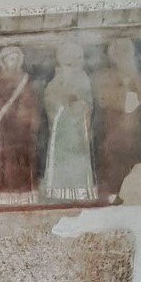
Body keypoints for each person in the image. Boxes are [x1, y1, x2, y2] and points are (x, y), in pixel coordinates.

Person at [94, 37, 141, 201]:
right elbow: (102, 99)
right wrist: (122, 96)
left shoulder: (138, 77)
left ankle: (132, 193)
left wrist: (134, 92)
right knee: (112, 157)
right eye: (118, 53)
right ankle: (112, 193)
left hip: (133, 126)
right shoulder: (107, 76)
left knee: (132, 156)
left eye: (125, 52)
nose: (122, 56)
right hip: (113, 124)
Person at [0, 45, 41, 205]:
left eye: (16, 59)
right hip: (5, 127)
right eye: (11, 59)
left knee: (22, 160)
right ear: (3, 61)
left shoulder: (25, 80)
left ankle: (23, 193)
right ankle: (4, 193)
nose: (14, 62)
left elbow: (31, 102)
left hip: (22, 129)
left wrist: (30, 117)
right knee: (6, 161)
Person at [43, 41, 98, 201]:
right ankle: (59, 192)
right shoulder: (56, 81)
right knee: (62, 159)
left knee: (79, 160)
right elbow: (50, 99)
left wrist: (80, 105)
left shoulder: (83, 79)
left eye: (75, 58)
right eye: (68, 59)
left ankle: (80, 191)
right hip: (62, 128)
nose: (72, 63)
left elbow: (88, 102)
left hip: (78, 127)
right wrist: (63, 103)